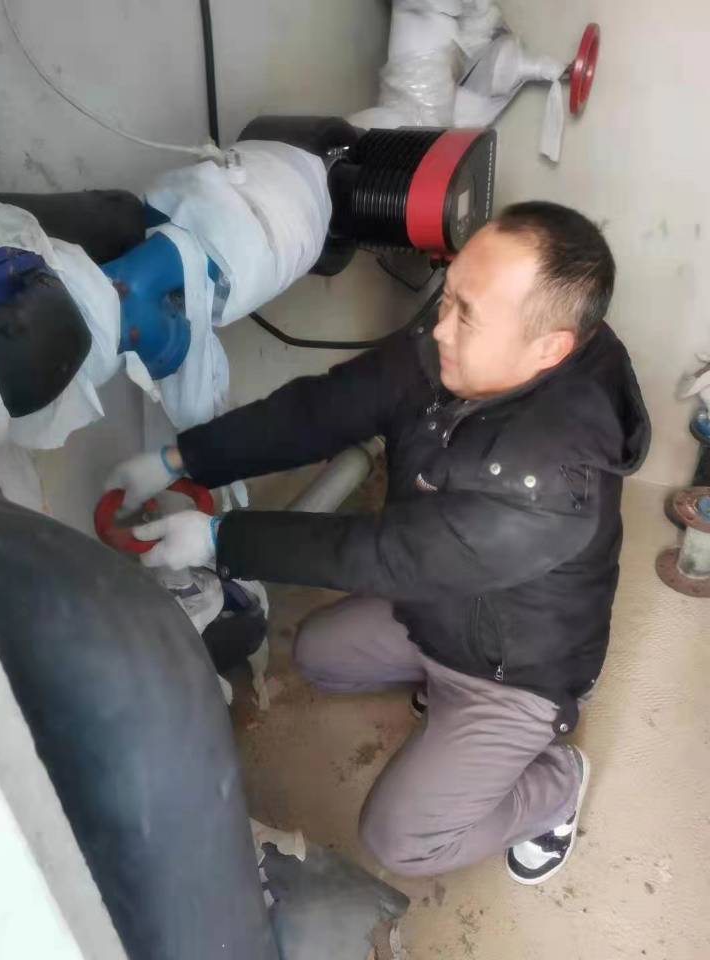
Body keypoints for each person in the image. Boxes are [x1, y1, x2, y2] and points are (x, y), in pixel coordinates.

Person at [106, 201, 650, 884]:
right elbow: (328, 407)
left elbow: (384, 554)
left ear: (549, 348)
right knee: (319, 655)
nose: (439, 328)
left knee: (401, 842)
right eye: (448, 296)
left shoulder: (552, 486)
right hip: (443, 604)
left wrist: (220, 537)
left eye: (467, 316)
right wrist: (183, 459)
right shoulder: (461, 346)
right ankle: (444, 698)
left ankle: (557, 783)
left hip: (516, 665)